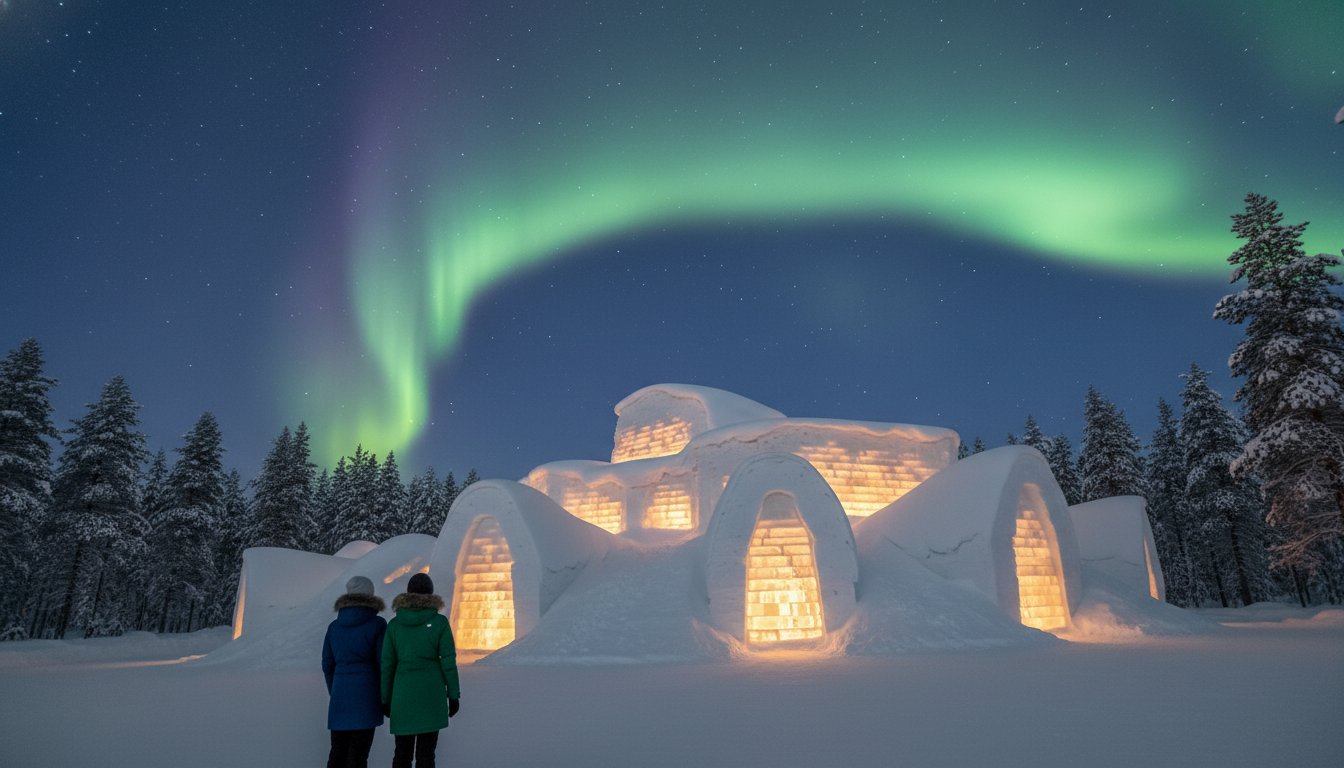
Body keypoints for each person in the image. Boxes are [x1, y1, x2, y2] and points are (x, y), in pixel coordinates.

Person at [381, 572, 461, 768]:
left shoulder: (394, 625)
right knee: (426, 755)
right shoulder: (440, 623)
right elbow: (448, 662)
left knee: (402, 754)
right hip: (431, 694)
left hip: (403, 694)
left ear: (408, 593)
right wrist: (453, 695)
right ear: (431, 593)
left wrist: (385, 698)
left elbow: (387, 664)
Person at [322, 575, 388, 768]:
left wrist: (334, 689)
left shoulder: (334, 627)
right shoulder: (377, 624)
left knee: (337, 752)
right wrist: (383, 696)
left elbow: (327, 663)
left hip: (340, 694)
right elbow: (382, 662)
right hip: (366, 694)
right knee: (358, 755)